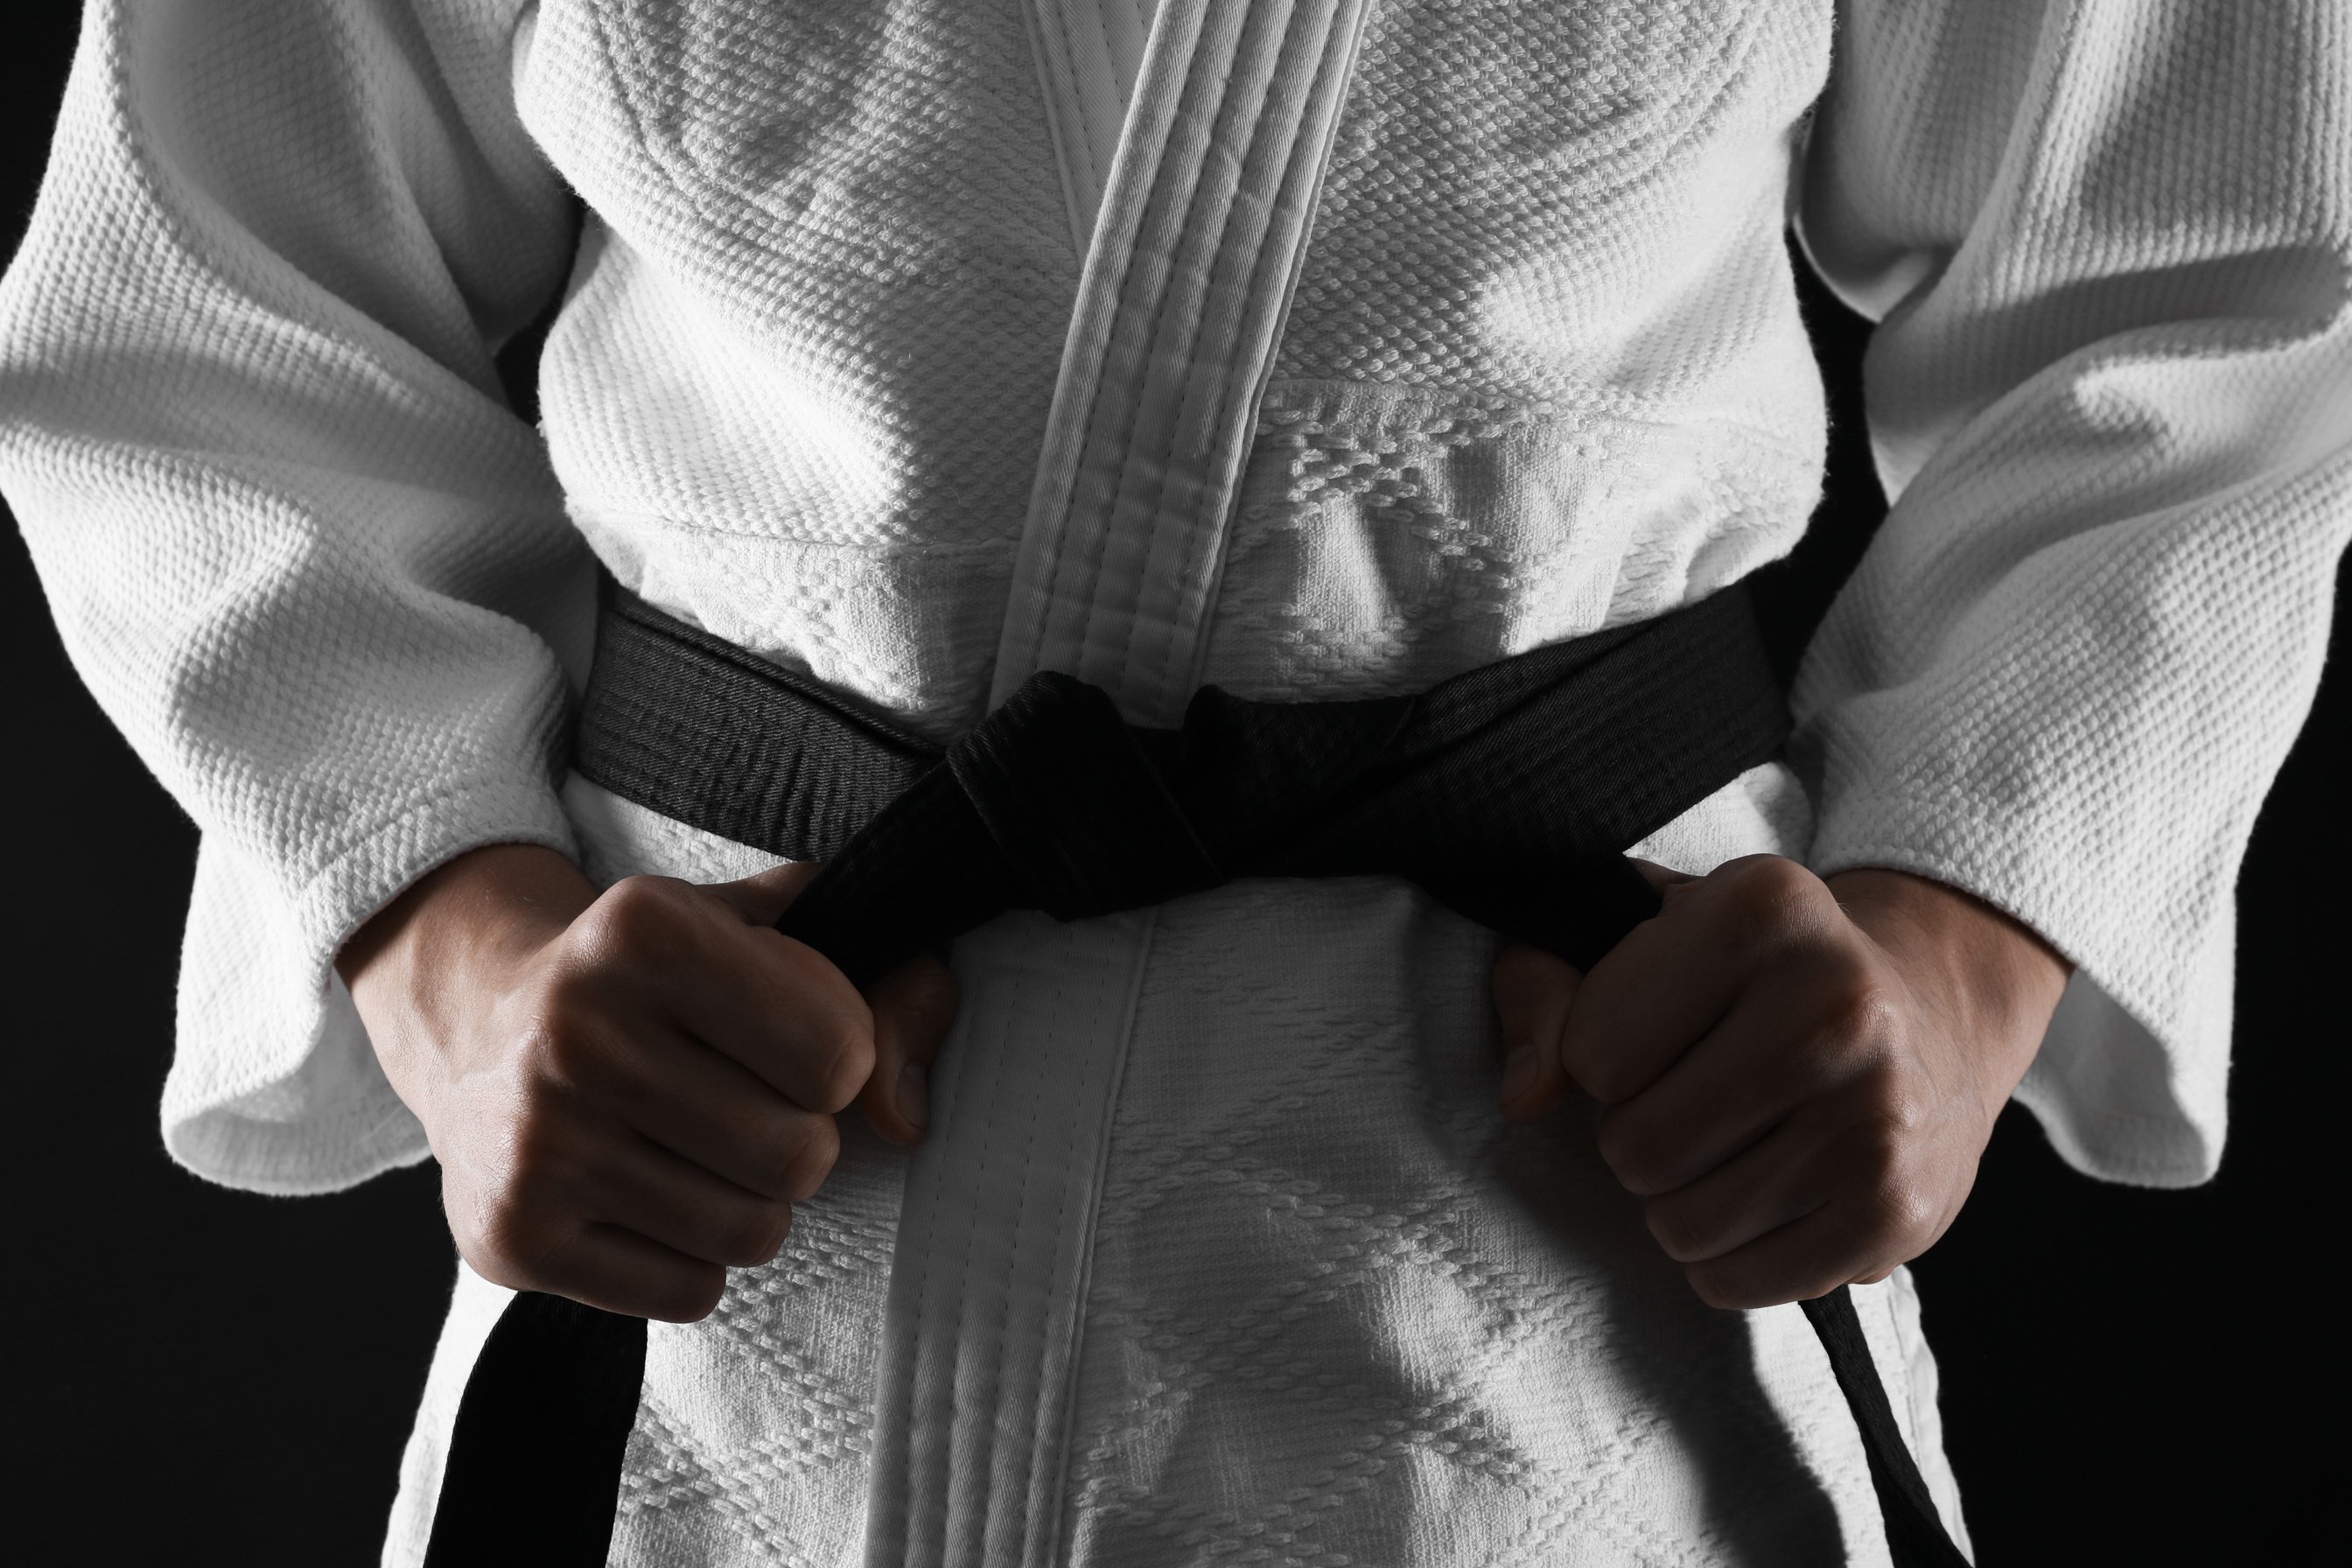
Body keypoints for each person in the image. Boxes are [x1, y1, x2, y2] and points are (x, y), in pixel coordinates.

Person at [2, 0, 2342, 1562]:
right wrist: (458, 955)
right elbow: (212, 314)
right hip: (733, 1186)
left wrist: (1958, 940)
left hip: (1550, 1235)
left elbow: (2193, 285)